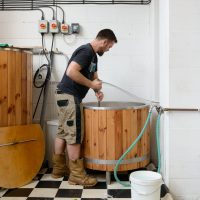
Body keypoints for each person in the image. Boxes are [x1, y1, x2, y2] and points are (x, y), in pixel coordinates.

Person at [51, 29, 117, 186]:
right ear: (105, 42)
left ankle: (58, 169)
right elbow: (71, 71)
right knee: (74, 133)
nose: (108, 50)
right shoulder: (86, 51)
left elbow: (93, 76)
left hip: (64, 95)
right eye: (109, 47)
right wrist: (91, 84)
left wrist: (97, 90)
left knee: (63, 131)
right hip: (69, 95)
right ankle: (76, 175)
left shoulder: (93, 56)